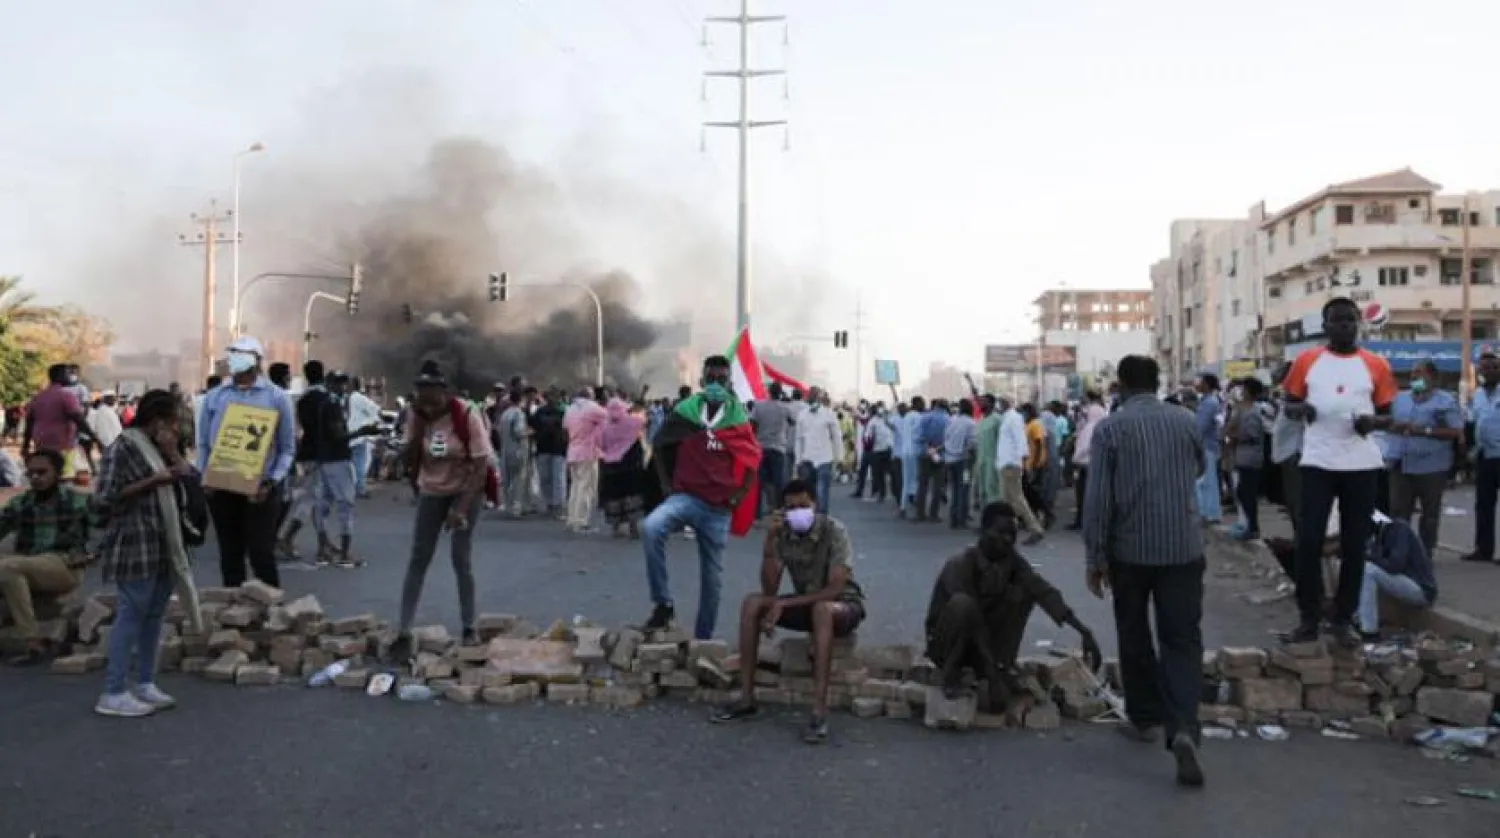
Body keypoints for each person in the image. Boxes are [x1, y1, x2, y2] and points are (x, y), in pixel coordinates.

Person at [1082, 354, 1206, 788]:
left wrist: (1094, 558)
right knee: (1182, 640)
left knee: (1135, 635)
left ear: (1120, 385)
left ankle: (1144, 718)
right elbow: (1200, 469)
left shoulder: (1111, 430)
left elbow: (1098, 500)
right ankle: (1184, 729)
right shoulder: (1186, 420)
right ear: (1156, 383)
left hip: (1131, 552)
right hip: (1183, 549)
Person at [1281, 297, 1398, 645]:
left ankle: (1343, 620)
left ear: (1359, 323)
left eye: (1350, 321)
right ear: (1325, 324)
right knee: (1309, 540)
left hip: (1361, 464)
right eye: (1337, 321)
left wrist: (1371, 422)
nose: (1344, 326)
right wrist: (1302, 410)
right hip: (1318, 461)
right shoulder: (1307, 361)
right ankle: (1308, 617)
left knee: (1353, 543)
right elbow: (1287, 404)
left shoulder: (1376, 364)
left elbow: (1388, 414)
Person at [712, 478, 865, 743]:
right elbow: (769, 588)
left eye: (803, 506)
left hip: (843, 605)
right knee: (753, 603)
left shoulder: (834, 530)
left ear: (815, 505)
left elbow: (835, 589)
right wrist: (769, 543)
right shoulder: (784, 533)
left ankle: (819, 712)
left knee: (821, 609)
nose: (797, 513)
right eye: (791, 508)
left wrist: (784, 604)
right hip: (805, 603)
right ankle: (747, 698)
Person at [926, 501, 1100, 713]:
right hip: (949, 645)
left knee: (1024, 591)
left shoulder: (1012, 561)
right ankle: (951, 677)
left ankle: (1001, 664)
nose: (1007, 540)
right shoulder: (961, 563)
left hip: (982, 645)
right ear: (984, 531)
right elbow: (973, 622)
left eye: (1012, 534)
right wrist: (992, 676)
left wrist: (1083, 630)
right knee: (963, 605)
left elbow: (1044, 592)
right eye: (1001, 533)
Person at [92, 390, 204, 717]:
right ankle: (113, 690)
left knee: (154, 615)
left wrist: (173, 456)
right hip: (135, 542)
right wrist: (152, 481)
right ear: (156, 421)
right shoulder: (125, 447)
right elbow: (104, 498)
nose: (177, 428)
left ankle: (145, 681)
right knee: (132, 613)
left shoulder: (163, 450)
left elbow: (192, 480)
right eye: (172, 422)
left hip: (165, 543)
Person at [639, 355, 761, 638]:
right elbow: (659, 445)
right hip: (686, 497)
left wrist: (738, 495)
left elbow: (753, 459)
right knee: (651, 527)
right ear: (702, 381)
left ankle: (702, 640)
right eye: (712, 379)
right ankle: (663, 604)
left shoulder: (737, 417)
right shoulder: (686, 411)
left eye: (722, 379)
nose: (716, 384)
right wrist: (666, 486)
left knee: (712, 581)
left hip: (718, 507)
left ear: (729, 382)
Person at [391, 361, 492, 657]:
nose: (427, 401)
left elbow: (481, 465)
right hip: (432, 491)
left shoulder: (466, 414)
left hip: (465, 491)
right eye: (420, 393)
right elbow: (413, 453)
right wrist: (412, 476)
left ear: (444, 392)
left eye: (431, 394)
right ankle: (404, 628)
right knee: (418, 558)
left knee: (461, 559)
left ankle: (469, 626)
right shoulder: (416, 414)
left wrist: (461, 509)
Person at [195, 337, 297, 588]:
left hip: (261, 489)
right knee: (230, 555)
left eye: (241, 354)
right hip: (222, 488)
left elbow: (286, 449)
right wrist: (205, 477)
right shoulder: (214, 397)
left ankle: (272, 611)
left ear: (256, 361)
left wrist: (271, 482)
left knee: (261, 553)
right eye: (233, 354)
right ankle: (233, 613)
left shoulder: (277, 398)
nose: (235, 360)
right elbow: (204, 444)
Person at [0, 449, 92, 665]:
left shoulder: (75, 500)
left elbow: (107, 525)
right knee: (9, 569)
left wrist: (92, 554)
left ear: (57, 473)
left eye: (42, 472)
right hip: (29, 564)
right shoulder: (22, 503)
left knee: (8, 567)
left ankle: (32, 642)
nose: (36, 478)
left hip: (63, 564)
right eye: (31, 473)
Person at [301, 368, 379, 568]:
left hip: (325, 459)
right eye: (338, 382)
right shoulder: (333, 406)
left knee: (323, 504)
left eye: (344, 382)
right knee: (345, 504)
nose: (342, 387)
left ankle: (322, 551)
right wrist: (363, 431)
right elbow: (337, 436)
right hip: (337, 460)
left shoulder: (328, 404)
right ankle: (345, 554)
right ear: (329, 383)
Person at [1386, 359, 1461, 556]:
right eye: (1412, 374)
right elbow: (1389, 423)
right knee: (1398, 512)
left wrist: (1422, 430)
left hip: (1432, 467)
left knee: (1429, 514)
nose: (1414, 377)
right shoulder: (1400, 399)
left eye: (1419, 373)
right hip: (1401, 464)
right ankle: (1400, 551)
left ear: (1432, 377)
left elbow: (1455, 431)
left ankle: (1425, 552)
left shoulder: (1445, 401)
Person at [1357, 512, 1437, 639]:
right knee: (1362, 569)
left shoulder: (1399, 530)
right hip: (1406, 583)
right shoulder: (1381, 536)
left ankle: (1369, 630)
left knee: (1369, 570)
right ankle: (1359, 618)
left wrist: (1372, 556)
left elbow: (1395, 565)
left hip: (1421, 589)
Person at [22, 364, 91, 483]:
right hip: (62, 444)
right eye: (68, 373)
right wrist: (93, 436)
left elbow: (29, 422)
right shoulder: (66, 395)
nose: (71, 376)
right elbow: (77, 417)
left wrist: (25, 445)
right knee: (65, 475)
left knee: (48, 474)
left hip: (41, 443)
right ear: (60, 376)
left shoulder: (39, 396)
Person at [996, 398, 1045, 545]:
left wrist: (1023, 463)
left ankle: (1035, 529)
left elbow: (1021, 442)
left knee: (1016, 499)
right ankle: (1007, 530)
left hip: (1011, 464)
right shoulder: (1007, 419)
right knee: (1007, 501)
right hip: (1006, 463)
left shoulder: (1014, 419)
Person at [1467, 351, 1500, 566]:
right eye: (1483, 368)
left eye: (1492, 368)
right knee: (1484, 505)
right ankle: (1483, 549)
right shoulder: (1477, 395)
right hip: (1485, 456)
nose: (1486, 372)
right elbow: (1472, 422)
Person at [599, 397, 647, 538]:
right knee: (631, 496)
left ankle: (616, 528)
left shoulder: (604, 425)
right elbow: (643, 423)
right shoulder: (633, 422)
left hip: (610, 466)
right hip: (630, 465)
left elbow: (601, 444)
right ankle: (633, 528)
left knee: (614, 497)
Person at [562, 387, 607, 532]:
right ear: (590, 396)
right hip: (588, 452)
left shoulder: (570, 409)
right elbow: (610, 418)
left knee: (575, 487)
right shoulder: (592, 408)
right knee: (586, 488)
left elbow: (565, 428)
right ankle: (581, 522)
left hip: (573, 450)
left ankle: (572, 518)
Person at [1269, 363, 1305, 541]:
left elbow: (1298, 412)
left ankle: (1302, 542)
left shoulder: (1297, 399)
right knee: (1291, 503)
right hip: (1286, 455)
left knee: (1297, 504)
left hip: (1294, 455)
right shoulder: (1289, 399)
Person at [1229, 378, 1268, 540]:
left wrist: (1234, 436)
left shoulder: (1252, 412)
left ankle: (1253, 527)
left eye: (1243, 389)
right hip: (1244, 457)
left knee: (1247, 493)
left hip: (1251, 458)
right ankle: (1251, 525)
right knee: (1243, 492)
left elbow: (1251, 435)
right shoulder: (1244, 410)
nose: (1241, 392)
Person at [792, 387, 841, 513]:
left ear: (820, 398)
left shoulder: (828, 414)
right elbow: (798, 439)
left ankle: (822, 523)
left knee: (822, 492)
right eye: (811, 395)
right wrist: (798, 460)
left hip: (824, 459)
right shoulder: (802, 415)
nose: (813, 398)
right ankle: (810, 524)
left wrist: (839, 457)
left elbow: (836, 436)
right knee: (808, 494)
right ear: (808, 397)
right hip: (807, 459)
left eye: (815, 395)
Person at [751, 382, 793, 518]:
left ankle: (756, 513)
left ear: (768, 391)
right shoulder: (785, 408)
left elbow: (752, 425)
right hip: (778, 448)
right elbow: (793, 422)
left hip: (761, 447)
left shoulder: (759, 406)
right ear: (780, 393)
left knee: (758, 483)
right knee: (778, 482)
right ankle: (780, 510)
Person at [1069, 390, 1107, 530]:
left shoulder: (1092, 428)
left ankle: (1083, 521)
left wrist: (1075, 460)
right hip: (1091, 466)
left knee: (1083, 495)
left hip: (1085, 466)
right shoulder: (1097, 426)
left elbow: (1083, 448)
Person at [529, 388, 568, 519]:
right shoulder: (540, 412)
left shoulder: (563, 412)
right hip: (543, 449)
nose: (552, 399)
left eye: (555, 396)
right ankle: (549, 502)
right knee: (545, 477)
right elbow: (532, 426)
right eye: (550, 396)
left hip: (558, 449)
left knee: (558, 478)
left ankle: (558, 505)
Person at [1193, 373, 1224, 524]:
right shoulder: (1209, 401)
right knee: (1207, 480)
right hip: (1209, 445)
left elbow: (1200, 427)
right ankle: (1209, 512)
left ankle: (1209, 513)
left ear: (1207, 384)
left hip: (1206, 446)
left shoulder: (1209, 403)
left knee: (1206, 481)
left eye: (1201, 382)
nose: (1198, 384)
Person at [346, 377, 383, 499]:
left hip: (349, 437)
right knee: (359, 465)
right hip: (358, 437)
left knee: (351, 466)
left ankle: (352, 489)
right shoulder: (357, 397)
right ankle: (359, 489)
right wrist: (372, 422)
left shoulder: (350, 397)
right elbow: (376, 409)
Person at [496, 390, 531, 517]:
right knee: (519, 479)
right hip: (518, 450)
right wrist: (529, 432)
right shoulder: (518, 414)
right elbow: (519, 431)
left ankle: (507, 505)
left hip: (506, 449)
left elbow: (499, 431)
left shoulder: (505, 414)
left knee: (507, 479)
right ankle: (517, 506)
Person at [914, 398, 949, 522]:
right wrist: (937, 448)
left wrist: (927, 447)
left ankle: (920, 513)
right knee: (937, 486)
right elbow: (948, 439)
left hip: (924, 453)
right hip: (940, 454)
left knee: (922, 485)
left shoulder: (924, 417)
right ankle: (934, 514)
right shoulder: (947, 419)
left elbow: (917, 436)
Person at [942, 398, 976, 528]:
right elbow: (972, 443)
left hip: (950, 460)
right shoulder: (971, 423)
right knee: (964, 489)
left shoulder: (952, 421)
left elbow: (946, 438)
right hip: (965, 462)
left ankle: (953, 518)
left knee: (954, 489)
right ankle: (962, 518)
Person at [973, 395, 1002, 511]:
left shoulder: (997, 419)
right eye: (980, 402)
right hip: (980, 461)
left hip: (993, 461)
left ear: (991, 404)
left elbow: (1002, 442)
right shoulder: (980, 420)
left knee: (993, 492)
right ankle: (985, 521)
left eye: (984, 401)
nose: (981, 404)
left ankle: (994, 521)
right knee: (982, 491)